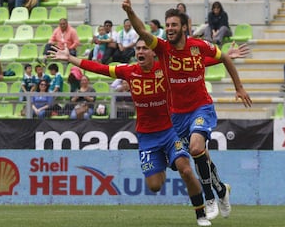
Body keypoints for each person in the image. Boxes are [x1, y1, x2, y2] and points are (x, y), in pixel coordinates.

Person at [49, 39, 212, 226]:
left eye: (144, 48)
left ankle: (201, 214)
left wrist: (223, 58)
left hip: (170, 132)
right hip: (147, 136)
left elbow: (199, 64)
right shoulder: (129, 71)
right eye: (138, 48)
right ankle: (166, 161)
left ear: (153, 53)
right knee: (155, 185)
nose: (140, 51)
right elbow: (98, 68)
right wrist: (70, 58)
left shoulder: (165, 68)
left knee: (185, 170)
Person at [121, 0, 252, 221]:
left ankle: (210, 197)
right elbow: (142, 32)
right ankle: (221, 188)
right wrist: (130, 12)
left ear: (184, 27)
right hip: (177, 116)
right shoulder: (161, 48)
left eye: (174, 25)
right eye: (168, 24)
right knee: (200, 154)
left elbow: (224, 59)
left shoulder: (199, 46)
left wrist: (239, 87)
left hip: (201, 107)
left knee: (195, 147)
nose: (169, 28)